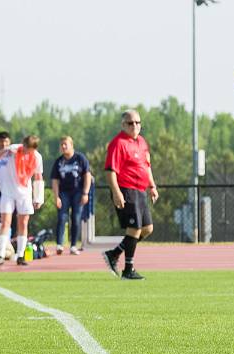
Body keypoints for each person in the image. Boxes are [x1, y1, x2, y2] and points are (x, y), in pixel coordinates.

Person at [102, 110, 159, 280]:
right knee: (134, 228)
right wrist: (116, 191)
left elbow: (146, 166)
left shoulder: (142, 142)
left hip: (141, 190)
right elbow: (110, 171)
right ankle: (128, 269)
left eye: (137, 122)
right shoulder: (118, 143)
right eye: (130, 123)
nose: (134, 126)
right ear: (123, 125)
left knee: (147, 229)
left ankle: (114, 253)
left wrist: (152, 186)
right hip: (126, 189)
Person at [0, 134, 44, 266]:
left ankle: (20, 255)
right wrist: (5, 151)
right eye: (24, 147)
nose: (25, 150)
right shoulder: (14, 150)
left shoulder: (37, 157)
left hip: (24, 192)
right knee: (5, 222)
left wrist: (38, 197)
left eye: (29, 149)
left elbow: (38, 176)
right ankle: (1, 254)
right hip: (8, 191)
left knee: (23, 223)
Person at [50, 136, 92, 255]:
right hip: (64, 192)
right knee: (62, 217)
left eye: (65, 144)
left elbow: (87, 175)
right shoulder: (59, 161)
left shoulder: (80, 158)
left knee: (76, 217)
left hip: (78, 192)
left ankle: (73, 245)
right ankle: (59, 244)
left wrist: (85, 193)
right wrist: (56, 196)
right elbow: (54, 180)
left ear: (71, 145)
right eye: (61, 144)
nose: (63, 147)